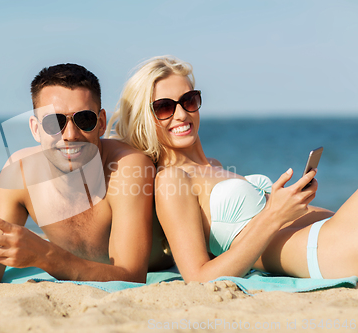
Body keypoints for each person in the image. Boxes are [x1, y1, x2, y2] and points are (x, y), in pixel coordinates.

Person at [0, 63, 168, 285]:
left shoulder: (128, 167)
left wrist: (45, 256)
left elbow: (131, 277)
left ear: (100, 123)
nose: (70, 135)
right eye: (54, 122)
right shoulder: (18, 173)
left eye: (84, 120)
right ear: (35, 128)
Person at [108, 55, 358, 283]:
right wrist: (273, 214)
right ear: (144, 117)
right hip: (324, 249)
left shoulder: (214, 166)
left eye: (189, 100)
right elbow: (198, 277)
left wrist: (292, 202)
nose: (182, 114)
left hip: (332, 231)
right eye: (164, 107)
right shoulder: (171, 180)